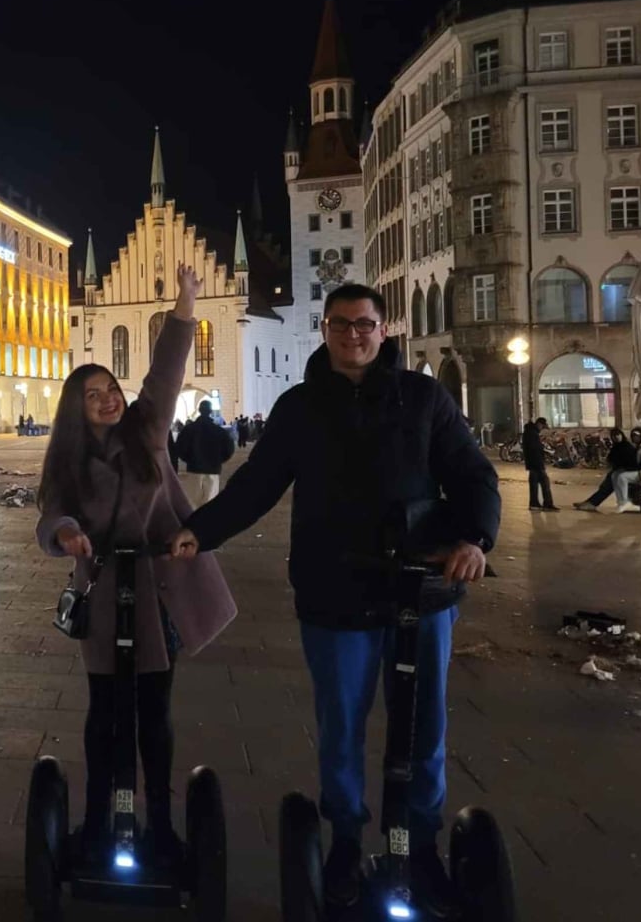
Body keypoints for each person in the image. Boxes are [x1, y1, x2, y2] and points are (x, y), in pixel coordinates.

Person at [169, 283, 499, 917]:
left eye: (366, 324)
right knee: (342, 728)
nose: (355, 335)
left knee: (425, 726)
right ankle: (346, 838)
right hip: (335, 589)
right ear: (325, 329)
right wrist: (200, 531)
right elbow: (257, 485)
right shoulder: (300, 408)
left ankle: (420, 844)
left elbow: (471, 473)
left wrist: (476, 538)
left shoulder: (424, 397)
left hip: (420, 589)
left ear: (383, 330)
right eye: (343, 325)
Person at [35, 263, 237, 865]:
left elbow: (166, 372)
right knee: (103, 715)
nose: (107, 399)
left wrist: (186, 302)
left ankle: (161, 821)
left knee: (154, 714)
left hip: (155, 592)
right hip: (100, 592)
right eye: (93, 394)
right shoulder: (67, 463)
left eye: (110, 391)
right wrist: (67, 535)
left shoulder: (147, 431)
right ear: (77, 408)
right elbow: (51, 517)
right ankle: (98, 817)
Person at [175, 399, 236, 508]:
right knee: (210, 505)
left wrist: (190, 459)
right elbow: (229, 449)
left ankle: (192, 524)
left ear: (199, 410)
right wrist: (218, 460)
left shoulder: (188, 429)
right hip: (213, 470)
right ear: (210, 411)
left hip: (194, 470)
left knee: (192, 504)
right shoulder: (220, 431)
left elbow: (179, 448)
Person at [574, 429, 634, 511]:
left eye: (618, 434)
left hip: (625, 471)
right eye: (614, 435)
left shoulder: (626, 446)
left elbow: (626, 461)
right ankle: (590, 502)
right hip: (619, 471)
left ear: (622, 435)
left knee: (607, 486)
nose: (616, 437)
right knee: (605, 486)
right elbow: (611, 459)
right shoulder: (616, 446)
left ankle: (592, 503)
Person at [522, 417, 558, 511]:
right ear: (539, 424)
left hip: (532, 463)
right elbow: (534, 450)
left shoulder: (530, 432)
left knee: (535, 484)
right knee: (545, 483)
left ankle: (535, 504)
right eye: (542, 427)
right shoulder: (532, 433)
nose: (542, 429)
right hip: (536, 463)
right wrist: (540, 461)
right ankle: (547, 504)